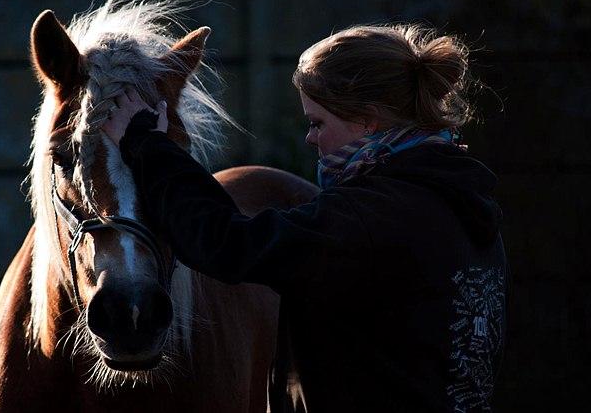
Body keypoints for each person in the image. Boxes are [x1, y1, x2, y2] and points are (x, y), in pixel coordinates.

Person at [102, 24, 508, 412]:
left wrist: (147, 143)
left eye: (318, 122)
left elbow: (229, 245)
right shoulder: (458, 203)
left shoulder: (373, 216)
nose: (310, 138)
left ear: (368, 120)